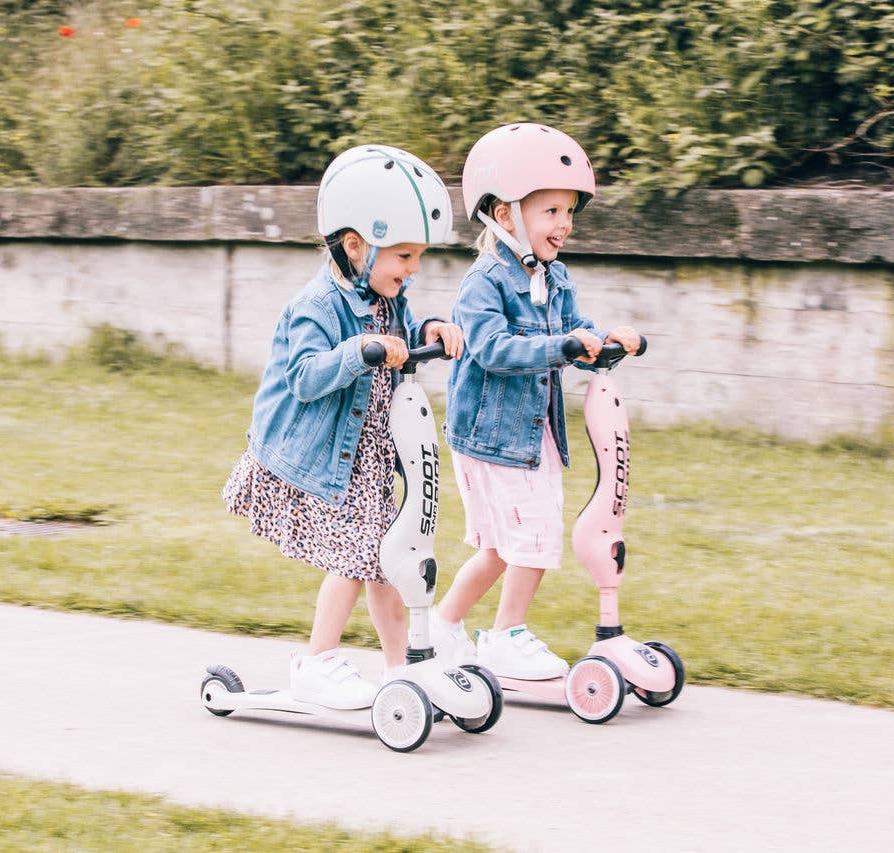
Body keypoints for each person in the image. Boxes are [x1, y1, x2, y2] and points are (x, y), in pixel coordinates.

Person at [223, 144, 464, 709]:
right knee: (358, 559)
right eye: (403, 256)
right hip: (326, 456)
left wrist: (432, 326)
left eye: (417, 257)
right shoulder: (315, 305)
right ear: (355, 245)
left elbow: (404, 331)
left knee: (388, 560)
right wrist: (362, 349)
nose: (412, 269)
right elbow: (305, 377)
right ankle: (317, 659)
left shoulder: (385, 294)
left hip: (371, 456)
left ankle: (404, 670)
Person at [431, 122, 641, 680]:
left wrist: (606, 343)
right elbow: (493, 349)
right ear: (505, 216)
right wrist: (562, 346)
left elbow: (575, 330)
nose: (565, 224)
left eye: (569, 211)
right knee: (536, 535)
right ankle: (504, 637)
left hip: (530, 431)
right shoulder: (484, 283)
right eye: (550, 211)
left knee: (502, 547)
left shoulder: (555, 276)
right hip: (491, 435)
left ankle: (444, 625)